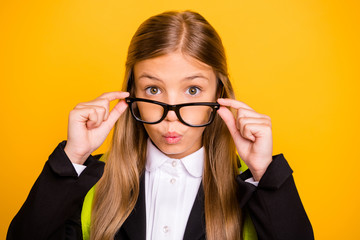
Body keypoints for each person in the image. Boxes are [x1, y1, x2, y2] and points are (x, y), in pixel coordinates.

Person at [7, 10, 314, 240]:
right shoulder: (92, 186)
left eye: (192, 90)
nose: (171, 115)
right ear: (132, 94)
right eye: (153, 89)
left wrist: (264, 172)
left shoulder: (253, 193)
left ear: (219, 95)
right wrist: (72, 158)